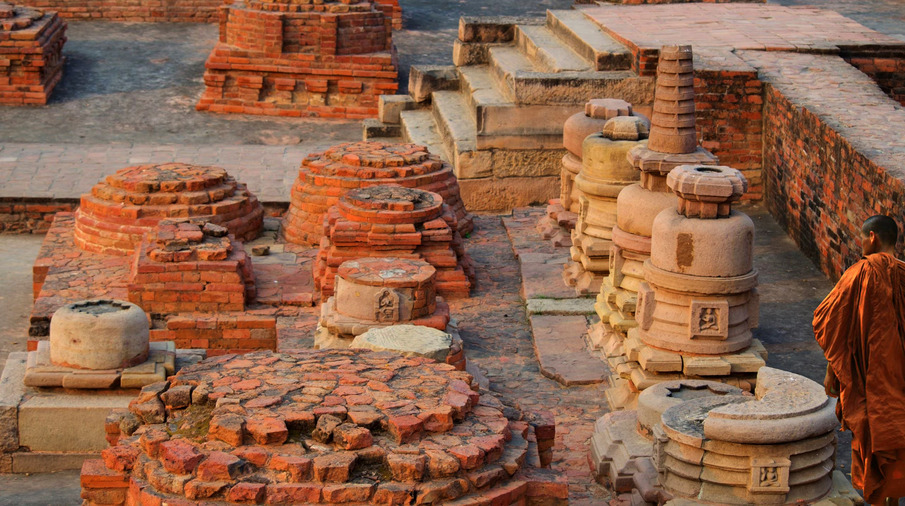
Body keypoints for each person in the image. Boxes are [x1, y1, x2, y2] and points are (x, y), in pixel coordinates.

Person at [814, 215, 905, 505]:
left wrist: (832, 373)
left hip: (869, 376)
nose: (861, 242)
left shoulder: (859, 273)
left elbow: (833, 325)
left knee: (875, 432)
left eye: (863, 237)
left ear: (874, 237)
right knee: (898, 431)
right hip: (899, 375)